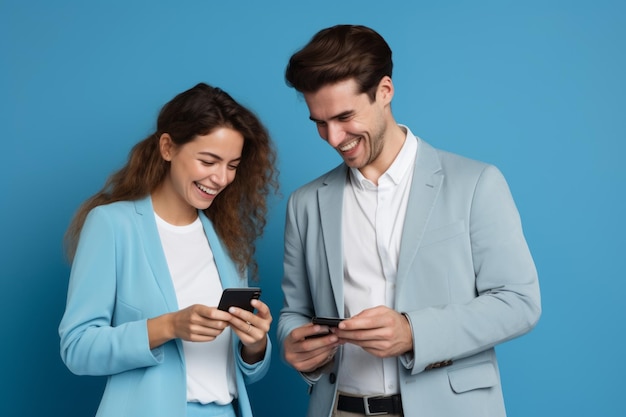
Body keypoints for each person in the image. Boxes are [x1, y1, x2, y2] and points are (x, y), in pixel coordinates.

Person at [277, 24, 541, 417]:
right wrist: (292, 342)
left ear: (384, 91)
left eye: (345, 116)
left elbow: (518, 302)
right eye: (319, 122)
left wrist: (413, 332)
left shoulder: (475, 183)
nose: (333, 137)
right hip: (340, 408)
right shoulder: (305, 203)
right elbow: (294, 312)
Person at [59, 82, 278, 417]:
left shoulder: (228, 240)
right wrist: (169, 326)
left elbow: (246, 371)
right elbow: (77, 348)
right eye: (208, 160)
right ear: (167, 147)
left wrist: (255, 344)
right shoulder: (113, 225)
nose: (221, 178)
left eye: (232, 165)